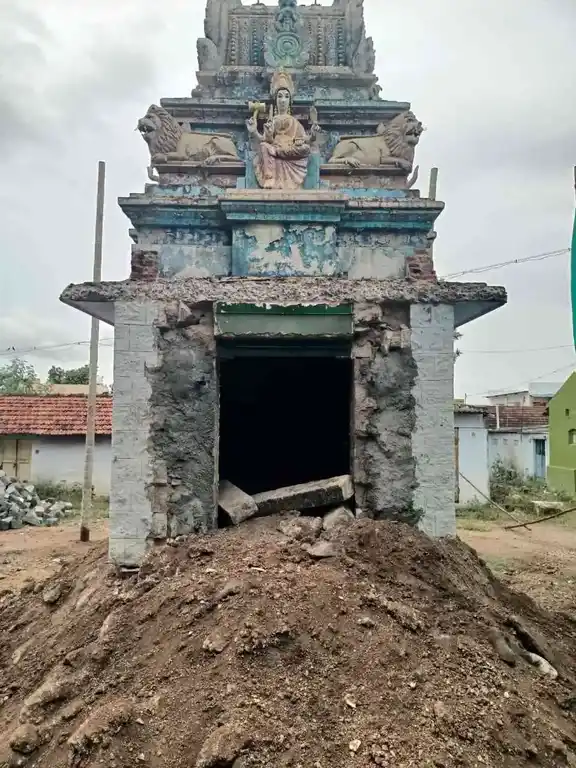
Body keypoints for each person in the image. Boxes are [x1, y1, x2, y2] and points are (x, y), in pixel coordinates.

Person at [246, 71, 320, 190]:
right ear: (275, 100)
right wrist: (254, 131)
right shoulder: (272, 120)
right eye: (280, 96)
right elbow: (265, 139)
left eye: (286, 96)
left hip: (290, 149)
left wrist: (313, 133)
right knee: (264, 146)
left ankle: (278, 153)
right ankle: (269, 177)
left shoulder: (294, 122)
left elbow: (306, 139)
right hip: (275, 148)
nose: (283, 100)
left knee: (306, 149)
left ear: (290, 101)